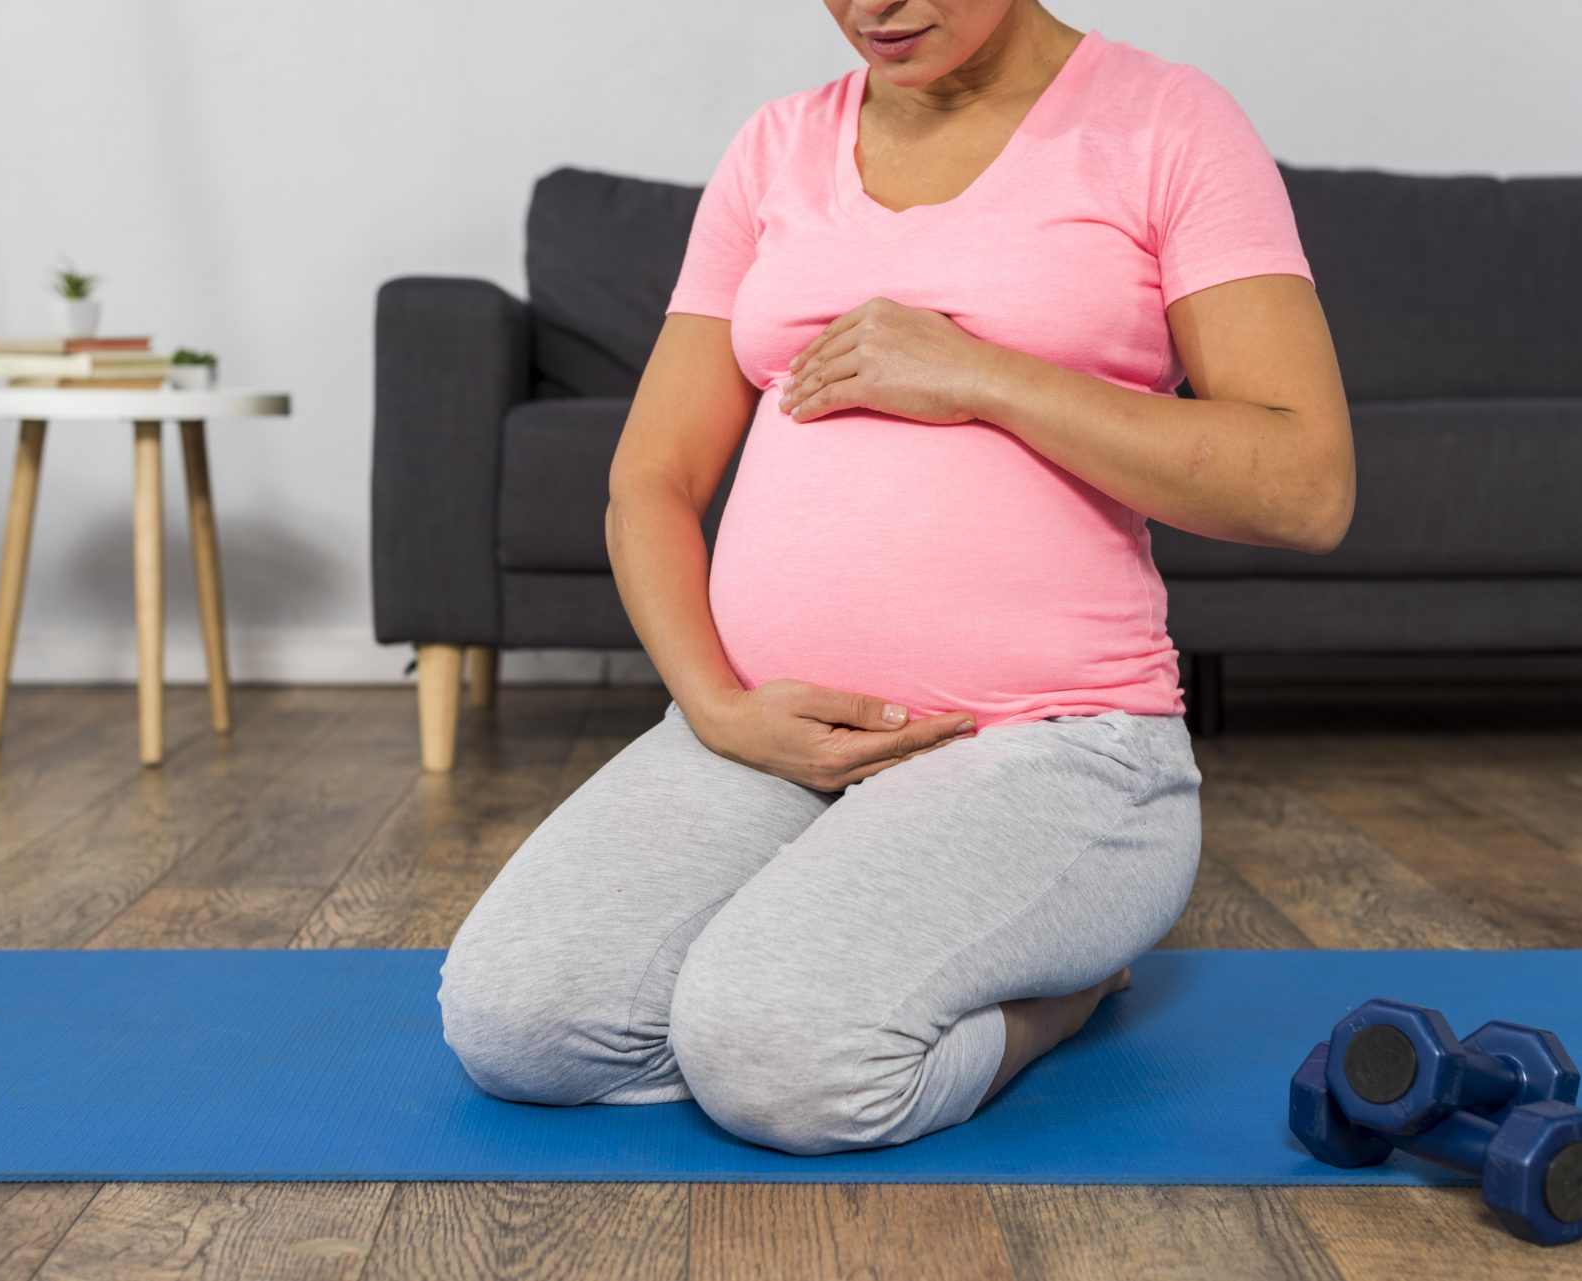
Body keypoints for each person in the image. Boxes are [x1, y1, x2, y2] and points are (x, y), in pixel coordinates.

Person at [437, 1, 1354, 1155]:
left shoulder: (1166, 126)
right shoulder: (775, 147)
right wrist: (720, 710)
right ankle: (830, 938)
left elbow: (1307, 487)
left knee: (777, 1061)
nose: (876, 6)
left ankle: (1064, 993)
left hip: (1047, 744)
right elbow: (650, 484)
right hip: (764, 736)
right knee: (518, 1026)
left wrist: (981, 374)